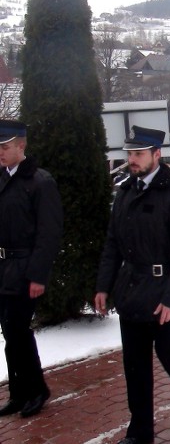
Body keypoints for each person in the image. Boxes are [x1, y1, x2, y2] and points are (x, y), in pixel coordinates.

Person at [95, 126, 170, 443]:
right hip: (131, 291)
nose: (132, 160)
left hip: (164, 293)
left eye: (138, 154)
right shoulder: (125, 193)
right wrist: (103, 286)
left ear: (156, 154)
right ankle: (140, 433)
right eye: (129, 154)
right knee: (135, 367)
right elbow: (112, 245)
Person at [0, 120, 62, 419]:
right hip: (3, 268)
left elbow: (48, 234)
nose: (0, 152)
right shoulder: (2, 178)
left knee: (18, 331)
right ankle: (18, 392)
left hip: (25, 269)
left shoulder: (40, 182)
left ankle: (36, 390)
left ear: (21, 146)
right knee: (9, 333)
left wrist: (38, 275)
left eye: (5, 146)